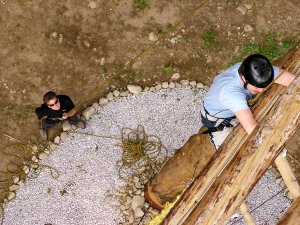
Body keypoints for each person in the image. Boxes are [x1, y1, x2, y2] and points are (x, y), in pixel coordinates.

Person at [200, 54, 296, 148]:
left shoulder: (251, 70)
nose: (261, 90)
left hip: (232, 104)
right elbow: (254, 131)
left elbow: (290, 79)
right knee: (230, 151)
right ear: (243, 78)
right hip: (219, 121)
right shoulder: (232, 94)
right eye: (257, 87)